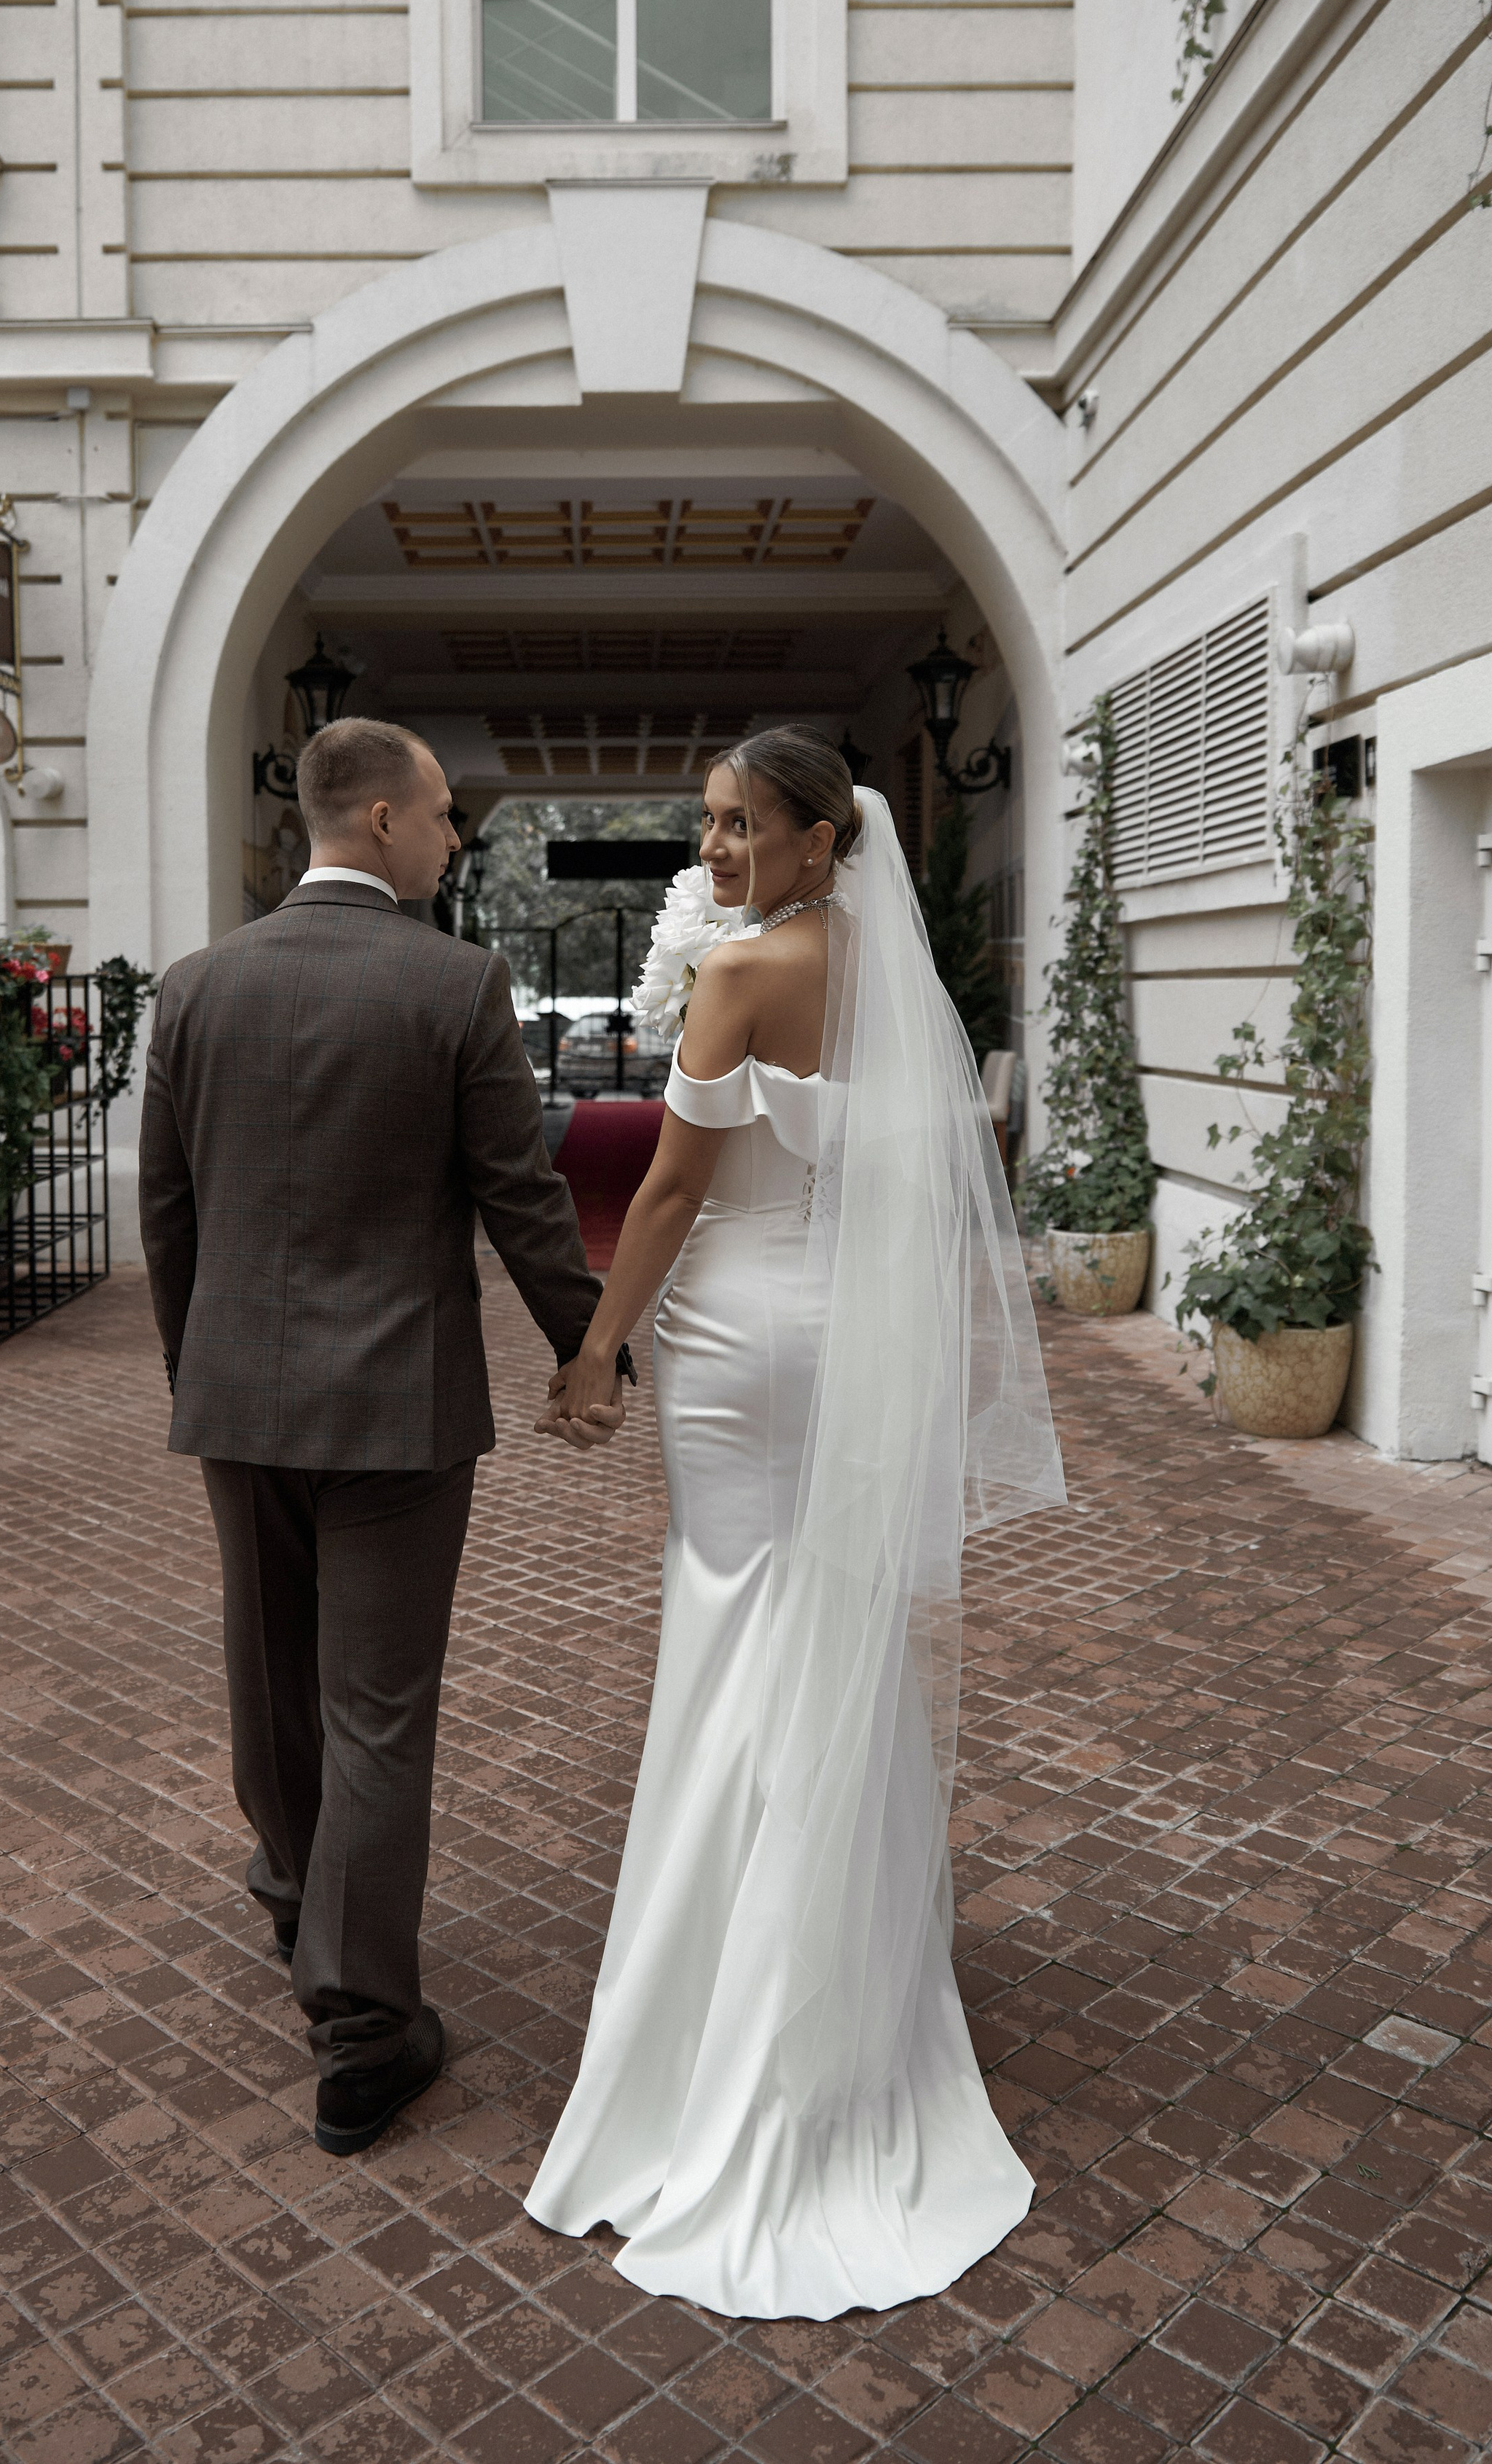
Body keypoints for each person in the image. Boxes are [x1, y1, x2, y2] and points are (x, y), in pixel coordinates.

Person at [526, 728, 1065, 2318]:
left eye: (743, 827)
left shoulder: (740, 977)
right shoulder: (887, 979)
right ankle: (851, 2007)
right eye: (703, 827)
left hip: (734, 1343)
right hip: (840, 1330)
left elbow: (677, 1194)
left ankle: (733, 2033)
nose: (715, 854)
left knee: (736, 1635)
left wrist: (594, 1350)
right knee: (827, 1632)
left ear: (825, 838)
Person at [138, 718, 624, 2159]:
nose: (454, 837)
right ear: (370, 821)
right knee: (376, 1707)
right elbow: (518, 1197)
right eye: (440, 815)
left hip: (238, 1393)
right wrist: (586, 1348)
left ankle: (298, 1886)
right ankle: (361, 2021)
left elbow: (167, 1211)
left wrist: (200, 1370)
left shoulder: (195, 986)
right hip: (397, 1408)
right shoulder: (455, 983)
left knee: (270, 1672)